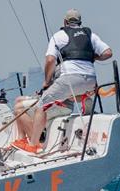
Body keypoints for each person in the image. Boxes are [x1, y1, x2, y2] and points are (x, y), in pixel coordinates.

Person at [13, 9, 112, 153]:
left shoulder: (59, 35)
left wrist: (47, 82)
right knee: (67, 95)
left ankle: (33, 144)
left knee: (42, 105)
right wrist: (91, 57)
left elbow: (50, 59)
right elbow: (108, 53)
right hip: (91, 80)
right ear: (80, 22)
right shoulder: (90, 35)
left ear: (65, 22)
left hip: (70, 79)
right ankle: (86, 100)